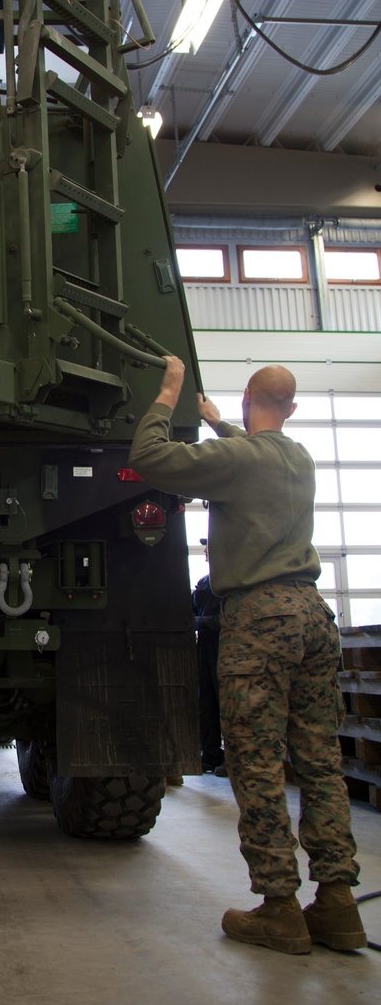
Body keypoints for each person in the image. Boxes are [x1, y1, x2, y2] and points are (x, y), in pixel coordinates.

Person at [128, 357, 365, 956]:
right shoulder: (300, 458)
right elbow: (254, 451)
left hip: (260, 620)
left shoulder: (237, 460)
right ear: (292, 408)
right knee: (318, 762)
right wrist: (219, 425)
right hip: (313, 616)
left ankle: (279, 908)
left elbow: (150, 457)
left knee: (256, 763)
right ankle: (337, 905)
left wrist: (170, 395)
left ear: (246, 400)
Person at [193, 541, 226, 776]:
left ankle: (232, 758)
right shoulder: (205, 583)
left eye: (209, 547)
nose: (205, 551)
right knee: (205, 703)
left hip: (224, 647)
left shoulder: (231, 584)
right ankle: (211, 756)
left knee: (225, 703)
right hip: (205, 647)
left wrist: (199, 623)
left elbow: (230, 619)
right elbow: (191, 607)